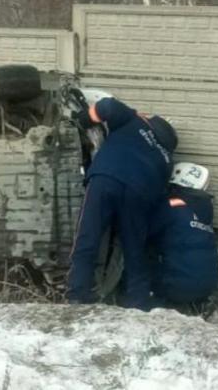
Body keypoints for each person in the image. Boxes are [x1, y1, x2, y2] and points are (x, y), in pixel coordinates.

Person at [67, 95, 177, 309]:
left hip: (107, 178)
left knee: (88, 237)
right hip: (139, 195)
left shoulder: (134, 122)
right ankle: (138, 299)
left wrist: (83, 119)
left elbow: (107, 106)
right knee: (135, 247)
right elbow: (159, 198)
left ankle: (77, 293)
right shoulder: (167, 160)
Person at [148, 163, 218, 309]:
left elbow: (144, 232)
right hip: (208, 286)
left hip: (177, 288)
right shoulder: (204, 209)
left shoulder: (171, 205)